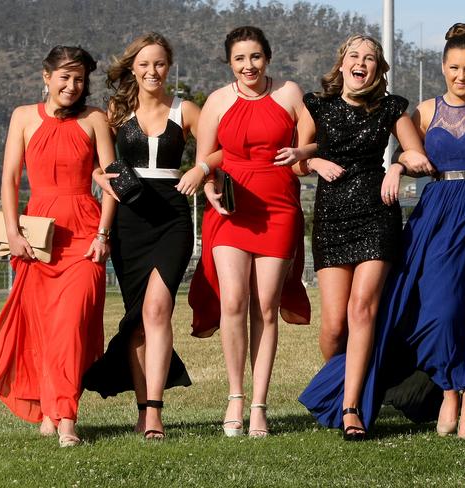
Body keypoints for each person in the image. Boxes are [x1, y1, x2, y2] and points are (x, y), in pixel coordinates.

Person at [0, 46, 116, 447]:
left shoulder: (95, 119)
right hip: (37, 238)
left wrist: (103, 235)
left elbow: (111, 181)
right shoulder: (22, 117)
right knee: (42, 330)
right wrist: (15, 234)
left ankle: (66, 417)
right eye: (65, 77)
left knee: (70, 326)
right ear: (46, 76)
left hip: (84, 236)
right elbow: (9, 179)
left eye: (79, 80)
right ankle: (49, 409)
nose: (72, 86)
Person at [296, 34, 430, 441]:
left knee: (361, 310)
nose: (361, 62)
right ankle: (339, 388)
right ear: (341, 64)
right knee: (335, 324)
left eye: (369, 58)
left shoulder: (391, 107)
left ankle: (353, 405)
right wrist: (315, 159)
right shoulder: (316, 105)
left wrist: (396, 168)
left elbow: (418, 157)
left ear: (377, 70)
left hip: (376, 215)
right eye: (354, 56)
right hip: (332, 217)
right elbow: (294, 162)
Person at [188, 26, 310, 438]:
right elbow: (206, 159)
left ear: (268, 57)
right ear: (230, 63)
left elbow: (314, 141)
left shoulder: (290, 93)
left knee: (265, 306)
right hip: (231, 211)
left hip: (279, 208)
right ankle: (235, 398)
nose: (248, 65)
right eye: (240, 58)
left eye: (255, 56)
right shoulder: (218, 102)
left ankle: (260, 405)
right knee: (234, 302)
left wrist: (300, 152)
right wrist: (208, 188)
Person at [83, 32, 204, 440]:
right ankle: (142, 408)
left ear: (169, 67)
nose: (153, 71)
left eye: (160, 64)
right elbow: (99, 162)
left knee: (157, 309)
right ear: (133, 67)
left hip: (172, 218)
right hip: (128, 221)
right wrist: (99, 175)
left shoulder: (186, 110)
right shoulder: (115, 111)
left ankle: (155, 412)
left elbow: (220, 149)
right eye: (145, 64)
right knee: (136, 321)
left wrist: (200, 169)